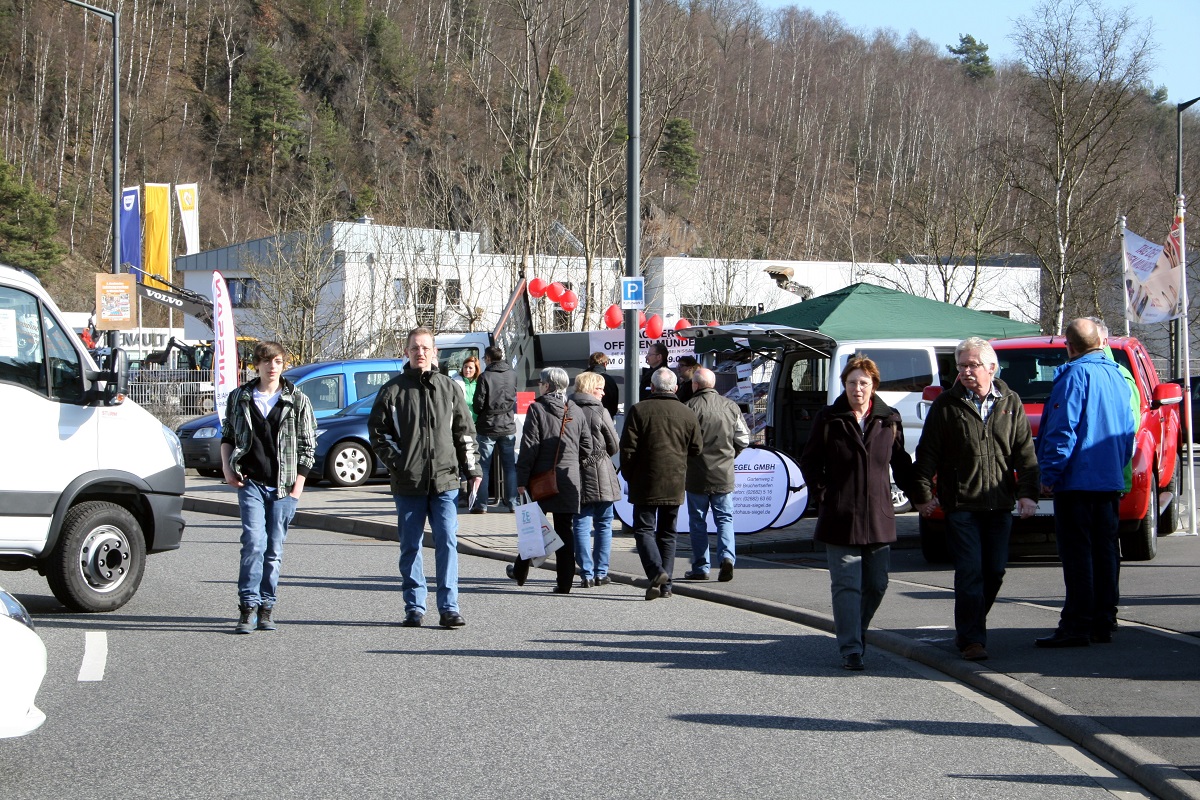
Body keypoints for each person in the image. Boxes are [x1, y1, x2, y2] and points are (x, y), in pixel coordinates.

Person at [911, 337, 1039, 662]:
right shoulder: (946, 405)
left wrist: (1027, 494)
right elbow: (927, 454)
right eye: (962, 365)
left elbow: (1025, 453)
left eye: (974, 365)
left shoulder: (1010, 401)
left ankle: (971, 624)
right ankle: (972, 640)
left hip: (999, 504)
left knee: (994, 571)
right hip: (961, 505)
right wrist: (923, 495)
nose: (967, 371)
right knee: (970, 572)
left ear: (991, 368)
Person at [799, 355, 915, 670]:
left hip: (878, 515)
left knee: (877, 583)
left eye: (863, 383)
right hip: (840, 514)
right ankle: (851, 648)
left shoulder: (888, 419)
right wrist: (823, 495)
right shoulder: (829, 418)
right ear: (845, 386)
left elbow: (901, 464)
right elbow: (809, 463)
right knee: (846, 583)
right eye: (852, 383)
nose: (858, 389)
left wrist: (922, 496)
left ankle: (856, 632)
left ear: (874, 385)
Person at [369, 328, 482, 629]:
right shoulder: (392, 391)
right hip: (409, 484)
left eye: (425, 348)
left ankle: (449, 608)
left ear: (435, 353)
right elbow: (378, 434)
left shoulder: (449, 388)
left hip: (445, 481)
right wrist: (400, 464)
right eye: (415, 348)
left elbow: (465, 432)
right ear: (406, 352)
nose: (420, 352)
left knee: (447, 543)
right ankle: (414, 607)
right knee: (411, 546)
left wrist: (473, 470)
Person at [1034, 318, 1135, 648]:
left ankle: (1077, 624)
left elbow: (1063, 430)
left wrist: (1049, 475)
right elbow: (1127, 431)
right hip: (1107, 479)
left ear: (1070, 345)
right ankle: (1104, 619)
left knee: (1078, 555)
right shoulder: (1118, 375)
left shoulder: (1075, 375)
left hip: (1078, 480)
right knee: (1106, 552)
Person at [220, 341, 317, 634]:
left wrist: (297, 488)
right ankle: (247, 607)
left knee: (273, 550)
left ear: (282, 364)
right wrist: (226, 467)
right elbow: (227, 434)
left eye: (277, 361)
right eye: (266, 361)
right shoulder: (240, 397)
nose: (272, 367)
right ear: (256, 365)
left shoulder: (297, 400)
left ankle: (267, 607)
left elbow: (308, 447)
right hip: (250, 482)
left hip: (284, 487)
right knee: (253, 544)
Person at [621, 367, 702, 600]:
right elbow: (697, 448)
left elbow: (627, 449)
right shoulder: (687, 413)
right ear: (675, 388)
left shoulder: (639, 409)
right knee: (668, 533)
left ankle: (657, 573)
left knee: (644, 529)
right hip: (675, 479)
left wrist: (629, 475)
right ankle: (666, 585)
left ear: (652, 387)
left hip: (645, 480)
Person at [511, 367, 593, 593]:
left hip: (541, 479)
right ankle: (564, 582)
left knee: (534, 527)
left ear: (548, 385)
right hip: (569, 480)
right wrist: (573, 466)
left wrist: (522, 479)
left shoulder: (537, 409)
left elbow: (529, 447)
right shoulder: (575, 410)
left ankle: (520, 570)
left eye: (541, 382)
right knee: (564, 530)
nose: (540, 385)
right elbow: (587, 447)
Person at [683, 367, 750, 582]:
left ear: (695, 385)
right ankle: (727, 558)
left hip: (696, 474)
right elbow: (743, 439)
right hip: (723, 473)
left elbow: (683, 443)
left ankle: (701, 567)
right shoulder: (730, 407)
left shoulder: (689, 408)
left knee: (697, 521)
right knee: (724, 518)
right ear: (713, 384)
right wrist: (730, 455)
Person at [571, 370, 621, 587]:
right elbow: (614, 444)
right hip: (602, 474)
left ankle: (586, 574)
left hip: (575, 475)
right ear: (591, 388)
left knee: (580, 524)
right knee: (604, 524)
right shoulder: (600, 411)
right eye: (600, 388)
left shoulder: (567, 409)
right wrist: (599, 456)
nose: (603, 393)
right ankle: (601, 572)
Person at [472, 345, 518, 513]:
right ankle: (513, 503)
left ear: (489, 358)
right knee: (510, 467)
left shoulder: (485, 376)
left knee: (483, 466)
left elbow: (478, 405)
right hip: (507, 425)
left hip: (488, 426)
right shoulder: (513, 374)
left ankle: (482, 505)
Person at [586, 351, 620, 418]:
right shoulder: (609, 380)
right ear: (605, 364)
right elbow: (614, 402)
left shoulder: (582, 378)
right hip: (605, 417)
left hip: (585, 417)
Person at [453, 355, 482, 425]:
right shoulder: (455, 382)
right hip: (462, 422)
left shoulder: (480, 383)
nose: (467, 370)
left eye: (470, 368)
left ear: (476, 370)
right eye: (465, 367)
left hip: (478, 422)